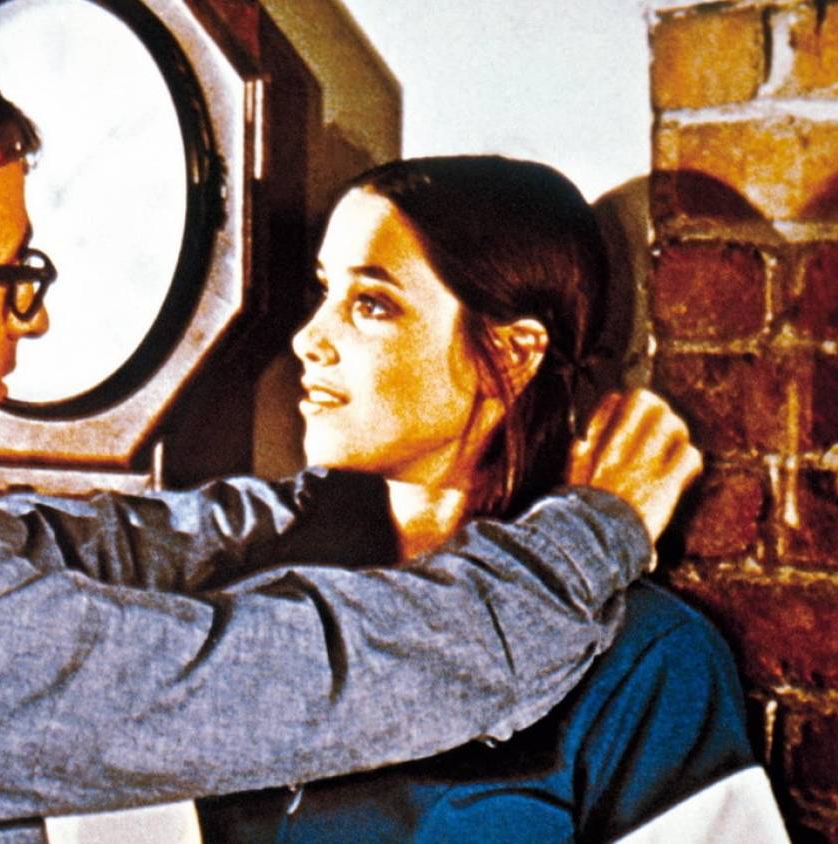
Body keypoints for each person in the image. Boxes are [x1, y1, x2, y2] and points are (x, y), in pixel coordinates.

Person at [0, 57, 701, 842]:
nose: (34, 322)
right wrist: (591, 533)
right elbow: (294, 684)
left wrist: (321, 507)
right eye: (16, 280)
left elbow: (59, 547)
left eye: (370, 303)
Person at [198, 156, 787, 842]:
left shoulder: (647, 659)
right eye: (326, 291)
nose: (309, 340)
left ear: (511, 353)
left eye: (371, 304)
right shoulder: (261, 608)